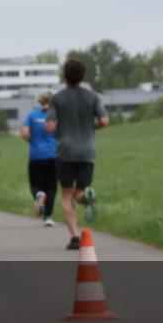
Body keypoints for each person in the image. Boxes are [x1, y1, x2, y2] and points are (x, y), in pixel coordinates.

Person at [46, 59, 110, 250]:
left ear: (65, 75)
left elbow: (49, 126)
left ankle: (75, 237)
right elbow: (105, 120)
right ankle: (86, 197)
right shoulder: (93, 96)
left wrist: (60, 128)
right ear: (83, 75)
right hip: (87, 151)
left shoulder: (57, 98)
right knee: (79, 192)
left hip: (65, 151)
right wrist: (92, 126)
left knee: (66, 195)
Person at [22, 90, 58, 226]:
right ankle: (48, 217)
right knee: (52, 187)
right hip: (53, 155)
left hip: (36, 155)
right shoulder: (55, 115)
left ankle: (39, 195)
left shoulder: (32, 115)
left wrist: (33, 141)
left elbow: (25, 133)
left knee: (35, 185)